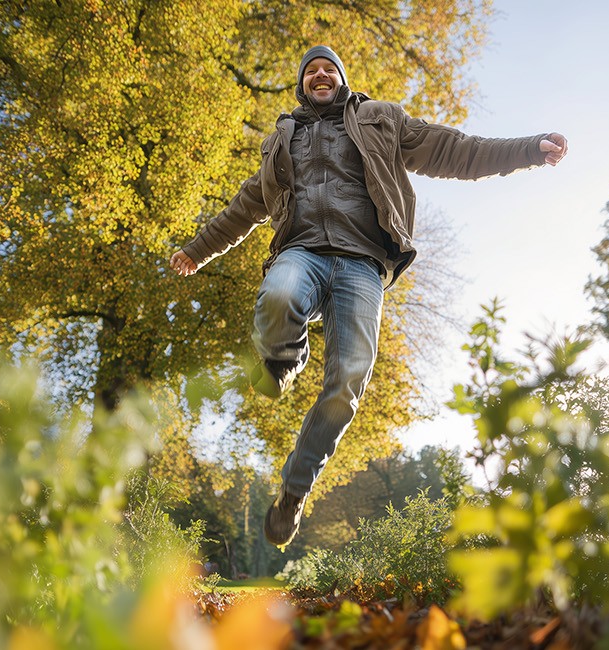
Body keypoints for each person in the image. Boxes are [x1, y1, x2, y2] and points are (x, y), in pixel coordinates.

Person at [168, 45, 566, 547]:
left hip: (362, 264)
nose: (320, 75)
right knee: (279, 293)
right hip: (302, 252)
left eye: (328, 69)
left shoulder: (381, 120)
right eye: (311, 71)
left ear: (342, 78)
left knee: (347, 382)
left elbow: (455, 150)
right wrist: (196, 250)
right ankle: (283, 360)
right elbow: (244, 207)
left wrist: (529, 150)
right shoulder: (280, 142)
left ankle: (294, 489)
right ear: (302, 85)